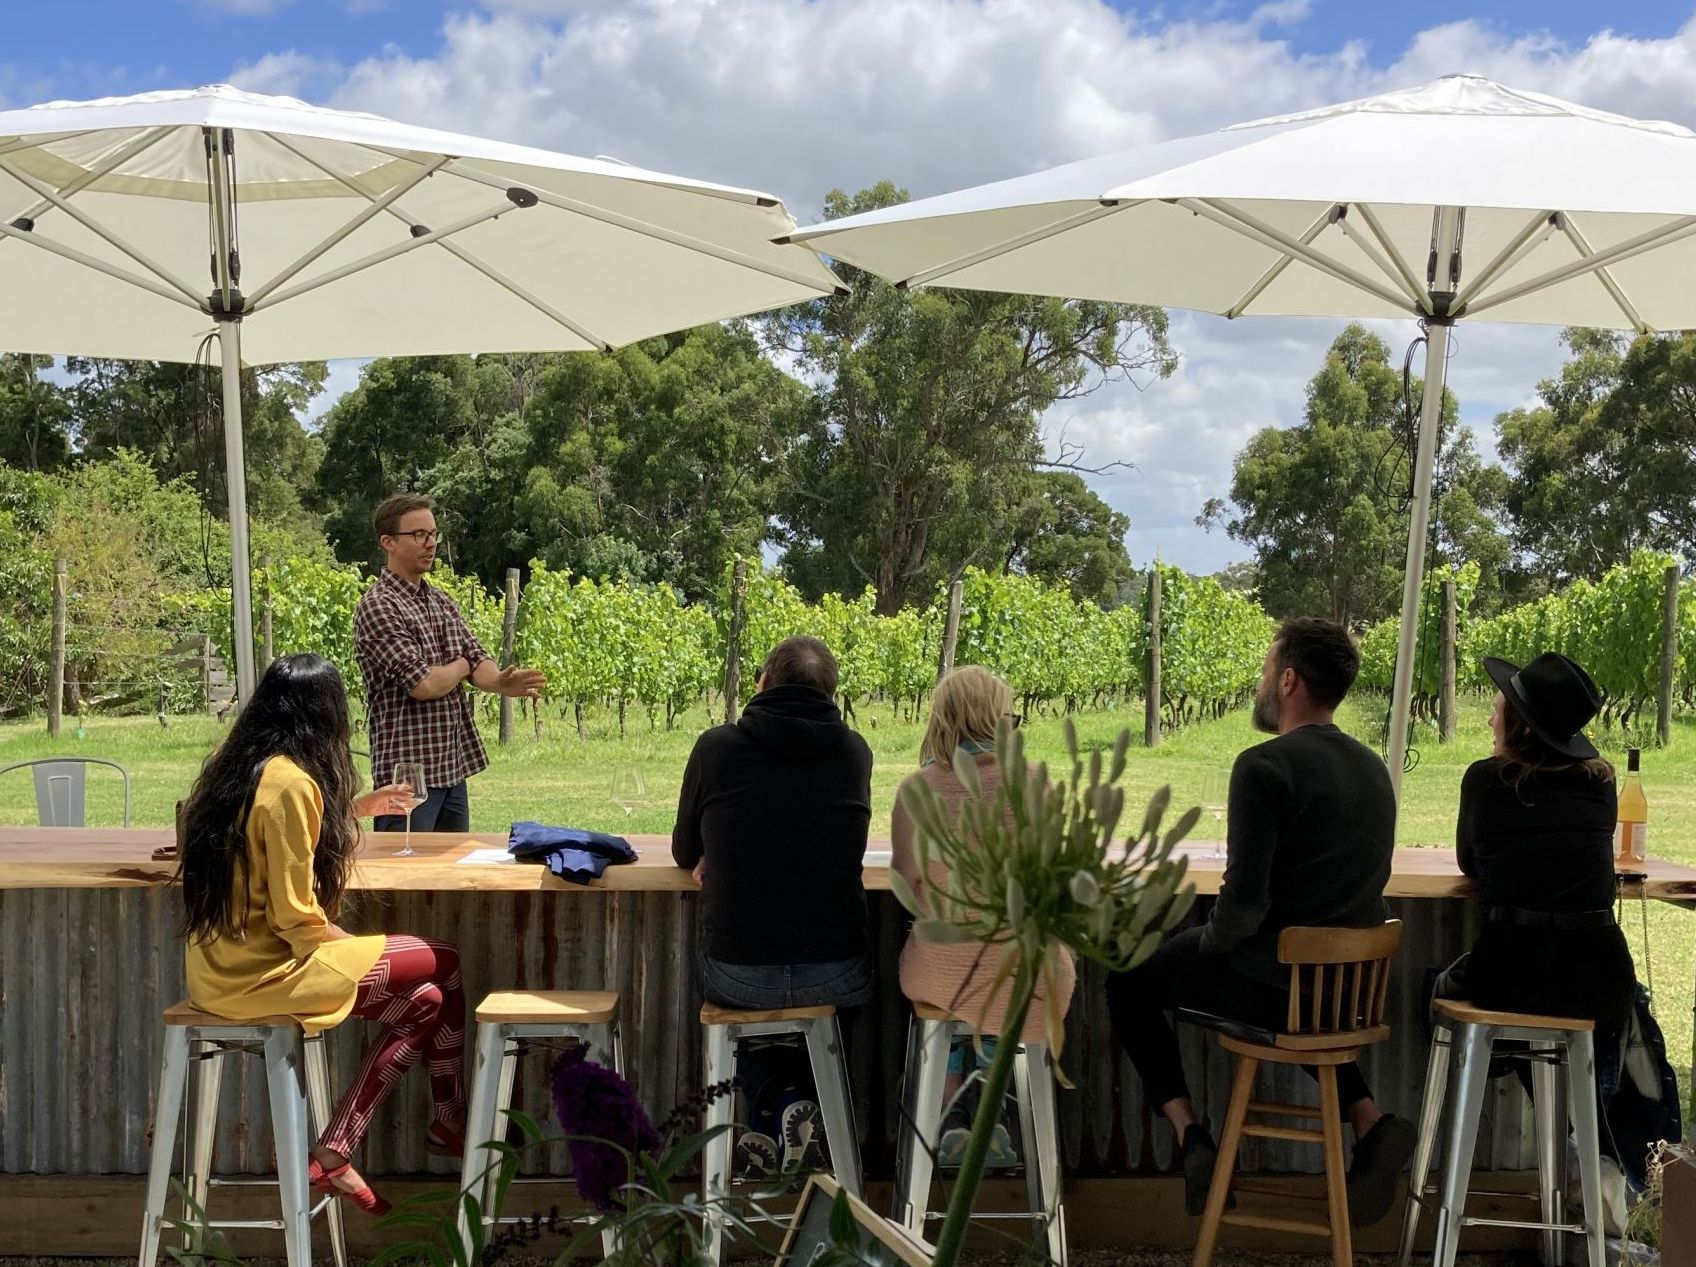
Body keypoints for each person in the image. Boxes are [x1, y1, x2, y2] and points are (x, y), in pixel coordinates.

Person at [1104, 617, 1414, 1223]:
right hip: (1345, 991)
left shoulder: (1263, 767)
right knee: (1303, 998)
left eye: (1269, 670)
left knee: (1128, 981)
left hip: (1274, 984)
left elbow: (1241, 910)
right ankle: (1369, 1121)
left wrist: (1210, 943)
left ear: (1290, 680)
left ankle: (1191, 1136)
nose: (1262, 681)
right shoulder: (1375, 767)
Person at [177, 654, 467, 1216]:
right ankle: (448, 1117)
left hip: (218, 973)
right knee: (444, 960)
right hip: (268, 973)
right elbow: (295, 919)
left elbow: (269, 843)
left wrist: (357, 808)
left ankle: (334, 1151)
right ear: (326, 716)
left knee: (426, 1000)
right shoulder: (293, 784)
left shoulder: (240, 768)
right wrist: (353, 948)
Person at [1435, 653, 1635, 1119]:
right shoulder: (1601, 783)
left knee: (1439, 988)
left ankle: (1466, 1124)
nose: (1489, 717)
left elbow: (1470, 862)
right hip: (1599, 979)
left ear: (1519, 724)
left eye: (1498, 708)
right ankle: (1582, 1147)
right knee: (1554, 1006)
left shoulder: (1486, 779)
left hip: (1511, 976)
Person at [893, 665, 1077, 1165]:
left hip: (945, 973)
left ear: (941, 720)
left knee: (948, 978)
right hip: (1030, 975)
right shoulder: (1037, 783)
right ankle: (997, 1114)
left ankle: (952, 1113)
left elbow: (908, 886)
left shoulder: (917, 790)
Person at [672, 635, 874, 1011]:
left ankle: (747, 1071)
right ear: (832, 693)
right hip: (836, 970)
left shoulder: (716, 748)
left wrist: (717, 849)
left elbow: (684, 853)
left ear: (764, 682)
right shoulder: (855, 752)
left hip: (737, 973)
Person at [353, 492, 544, 833]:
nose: (430, 543)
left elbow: (476, 657)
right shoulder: (378, 606)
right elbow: (423, 685)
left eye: (433, 534)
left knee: (452, 874)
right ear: (388, 542)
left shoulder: (441, 601)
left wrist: (498, 681)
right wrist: (459, 668)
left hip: (451, 768)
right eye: (419, 535)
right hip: (407, 777)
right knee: (406, 875)